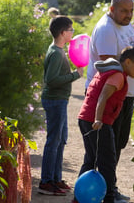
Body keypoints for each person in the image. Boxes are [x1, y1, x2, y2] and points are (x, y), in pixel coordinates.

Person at [85, 0, 134, 201]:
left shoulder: (125, 25)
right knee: (106, 149)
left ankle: (107, 189)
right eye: (124, 10)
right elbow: (111, 67)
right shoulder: (107, 29)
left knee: (119, 144)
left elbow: (128, 58)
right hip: (111, 96)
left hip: (126, 94)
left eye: (131, 10)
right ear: (112, 9)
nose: (128, 14)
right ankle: (102, 192)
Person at [75, 46, 134, 203]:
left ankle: (79, 198)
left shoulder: (108, 71)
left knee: (92, 158)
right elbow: (102, 97)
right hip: (97, 122)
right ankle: (109, 198)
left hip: (86, 118)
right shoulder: (118, 76)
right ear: (128, 62)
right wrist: (98, 119)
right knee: (107, 160)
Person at [39, 16, 84, 196]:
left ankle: (55, 178)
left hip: (60, 101)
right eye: (71, 30)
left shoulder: (59, 50)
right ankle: (46, 182)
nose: (73, 33)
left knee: (61, 139)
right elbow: (51, 80)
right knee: (53, 141)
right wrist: (75, 75)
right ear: (63, 33)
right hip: (55, 100)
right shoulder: (56, 53)